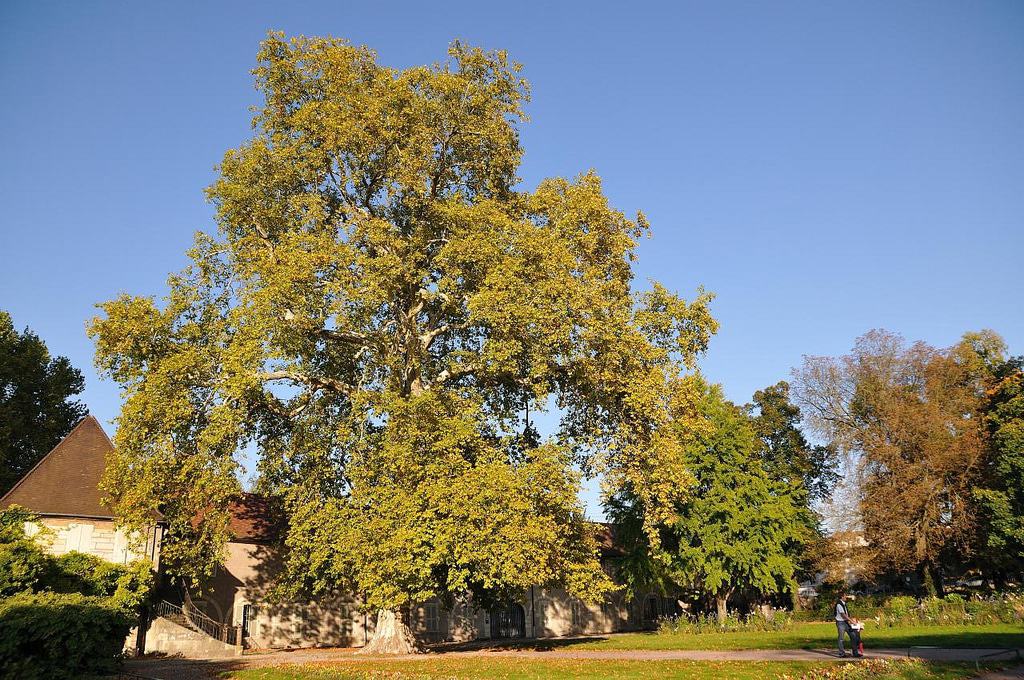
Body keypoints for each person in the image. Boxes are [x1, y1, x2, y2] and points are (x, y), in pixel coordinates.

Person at [834, 589, 863, 658]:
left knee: (853, 636)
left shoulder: (843, 603)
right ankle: (842, 653)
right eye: (845, 596)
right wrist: (851, 621)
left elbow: (846, 614)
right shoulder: (839, 604)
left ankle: (855, 653)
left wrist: (851, 620)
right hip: (840, 623)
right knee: (841, 638)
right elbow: (843, 615)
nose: (846, 597)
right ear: (842, 597)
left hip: (846, 622)